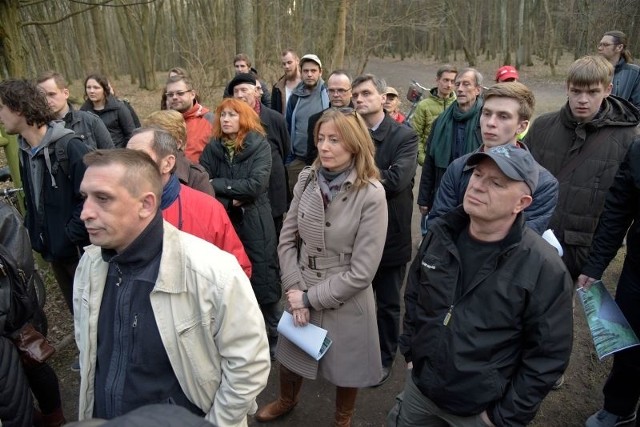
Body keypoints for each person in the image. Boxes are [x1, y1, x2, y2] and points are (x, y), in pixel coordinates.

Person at [73, 149, 270, 424]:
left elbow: (249, 366)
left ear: (146, 204)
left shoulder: (213, 272)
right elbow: (90, 353)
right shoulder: (90, 265)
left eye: (103, 198)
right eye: (85, 198)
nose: (85, 213)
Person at [398, 147, 573, 427]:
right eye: (477, 174)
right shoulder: (441, 235)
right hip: (420, 390)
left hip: (478, 410)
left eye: (496, 183)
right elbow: (415, 295)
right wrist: (410, 352)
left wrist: (501, 417)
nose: (478, 186)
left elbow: (548, 356)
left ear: (521, 203)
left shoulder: (544, 267)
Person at [255, 108, 388, 426]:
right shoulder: (306, 180)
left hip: (346, 293)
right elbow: (286, 241)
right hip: (302, 280)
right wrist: (295, 289)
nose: (324, 147)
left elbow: (363, 271)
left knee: (347, 366)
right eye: (320, 139)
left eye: (334, 140)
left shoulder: (371, 194)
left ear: (354, 145)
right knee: (291, 356)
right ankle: (287, 399)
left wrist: (309, 300)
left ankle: (343, 418)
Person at [525, 55, 640, 279]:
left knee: (562, 312)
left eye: (592, 92)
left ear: (608, 89)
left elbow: (624, 208)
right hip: (533, 240)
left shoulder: (629, 139)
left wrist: (595, 263)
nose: (583, 99)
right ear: (567, 87)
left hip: (582, 251)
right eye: (576, 91)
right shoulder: (542, 127)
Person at [199, 98, 281, 359]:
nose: (225, 119)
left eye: (232, 115)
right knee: (229, 276)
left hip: (255, 220)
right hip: (224, 220)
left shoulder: (259, 145)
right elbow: (202, 184)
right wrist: (230, 196)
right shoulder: (213, 147)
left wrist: (218, 184)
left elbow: (256, 186)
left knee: (262, 273)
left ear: (244, 117)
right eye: (222, 114)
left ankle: (275, 331)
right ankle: (244, 335)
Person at [0, 78, 90, 314]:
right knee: (78, 313)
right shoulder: (24, 151)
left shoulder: (70, 148)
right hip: (55, 252)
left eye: (1, 108)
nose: (0, 116)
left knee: (96, 313)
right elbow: (33, 201)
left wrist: (69, 236)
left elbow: (93, 198)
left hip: (80, 253)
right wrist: (38, 234)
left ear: (18, 108)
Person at [351, 74, 418, 385]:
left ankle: (384, 357)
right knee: (354, 298)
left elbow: (397, 180)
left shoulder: (404, 136)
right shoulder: (350, 133)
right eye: (356, 95)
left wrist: (355, 176)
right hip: (353, 232)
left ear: (382, 97)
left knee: (388, 303)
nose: (360, 99)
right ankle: (356, 350)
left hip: (391, 233)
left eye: (366, 93)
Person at [428, 82, 558, 235]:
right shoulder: (458, 167)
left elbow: (524, 242)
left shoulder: (542, 183)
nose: (490, 123)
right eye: (487, 113)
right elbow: (438, 225)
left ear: (521, 127)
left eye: (503, 116)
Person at [126, 127, 252, 277]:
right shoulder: (113, 207)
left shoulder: (207, 209)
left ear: (167, 163)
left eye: (140, 156)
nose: (128, 164)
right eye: (126, 156)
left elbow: (237, 272)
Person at [579, 140, 640, 427]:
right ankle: (620, 406)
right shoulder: (639, 150)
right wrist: (596, 263)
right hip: (639, 272)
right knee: (627, 341)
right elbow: (618, 209)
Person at [0, 200, 65, 426]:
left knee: (33, 361)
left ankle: (54, 416)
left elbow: (18, 268)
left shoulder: (4, 215)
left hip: (16, 311)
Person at [417, 68, 483, 228]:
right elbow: (430, 162)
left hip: (475, 193)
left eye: (466, 84)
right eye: (457, 84)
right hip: (444, 193)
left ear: (477, 90)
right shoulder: (441, 121)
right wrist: (424, 198)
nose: (459, 89)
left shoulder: (486, 120)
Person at [229, 73, 290, 237]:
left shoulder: (275, 119)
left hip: (272, 195)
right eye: (236, 91)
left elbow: (285, 151)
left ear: (256, 92)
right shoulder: (228, 122)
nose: (240, 95)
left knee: (273, 239)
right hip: (243, 195)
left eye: (244, 90)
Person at [285, 54, 330, 191]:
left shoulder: (328, 94)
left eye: (313, 71)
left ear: (320, 72)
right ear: (301, 72)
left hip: (323, 160)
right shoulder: (295, 97)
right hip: (298, 160)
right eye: (306, 71)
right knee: (297, 201)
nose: (309, 74)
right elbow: (287, 125)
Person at [36, 71, 114, 150]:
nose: (47, 100)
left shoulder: (90, 121)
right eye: (42, 96)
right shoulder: (39, 128)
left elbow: (111, 156)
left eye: (51, 94)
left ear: (66, 93)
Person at [144, 110, 214, 196]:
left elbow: (207, 208)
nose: (149, 143)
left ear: (177, 144)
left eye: (157, 139)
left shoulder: (196, 177)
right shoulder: (138, 168)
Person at [411, 64, 458, 166]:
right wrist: (423, 159)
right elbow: (415, 135)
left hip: (453, 164)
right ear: (437, 80)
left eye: (452, 81)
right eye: (445, 80)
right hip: (431, 162)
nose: (449, 85)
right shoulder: (423, 106)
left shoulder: (459, 105)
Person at [306, 70, 354, 165]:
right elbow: (311, 156)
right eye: (331, 90)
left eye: (341, 90)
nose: (336, 95)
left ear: (351, 92)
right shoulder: (315, 120)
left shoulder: (361, 119)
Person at [165, 75, 214, 163]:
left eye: (180, 93)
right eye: (170, 94)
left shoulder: (211, 120)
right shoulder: (162, 123)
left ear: (192, 94)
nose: (174, 97)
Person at [80, 73, 136, 148]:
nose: (91, 91)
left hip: (118, 154)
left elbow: (131, 135)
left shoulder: (119, 108)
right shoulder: (83, 112)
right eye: (88, 87)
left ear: (104, 90)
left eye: (96, 88)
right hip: (96, 156)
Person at [597, 30, 640, 109]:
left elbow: (637, 107)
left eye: (605, 45)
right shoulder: (592, 69)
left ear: (619, 47)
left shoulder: (635, 73)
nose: (600, 48)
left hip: (623, 120)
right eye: (600, 44)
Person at [272, 49, 302, 114]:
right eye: (284, 64)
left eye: (289, 62)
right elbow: (274, 114)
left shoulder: (307, 83)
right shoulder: (277, 88)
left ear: (297, 61)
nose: (286, 66)